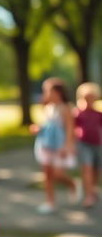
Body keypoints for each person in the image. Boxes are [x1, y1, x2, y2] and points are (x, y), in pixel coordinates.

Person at [30, 77, 79, 213]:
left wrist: (67, 146)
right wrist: (38, 129)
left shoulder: (66, 108)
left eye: (47, 91)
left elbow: (70, 129)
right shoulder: (48, 108)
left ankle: (73, 184)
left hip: (59, 146)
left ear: (57, 92)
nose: (45, 94)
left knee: (57, 174)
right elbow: (47, 126)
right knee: (47, 174)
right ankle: (50, 202)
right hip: (46, 144)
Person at [73, 82, 102, 208]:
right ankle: (89, 195)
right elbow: (71, 129)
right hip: (83, 144)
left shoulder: (98, 114)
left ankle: (93, 189)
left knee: (96, 169)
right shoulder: (78, 113)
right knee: (87, 169)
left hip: (97, 144)